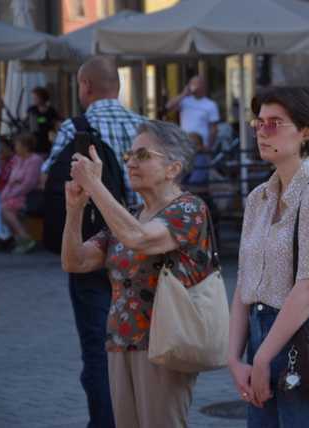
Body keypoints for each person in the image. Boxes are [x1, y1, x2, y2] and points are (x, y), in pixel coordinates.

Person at [62, 120, 210, 427]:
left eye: (142, 155)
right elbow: (75, 261)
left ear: (172, 169)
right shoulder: (128, 214)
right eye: (129, 154)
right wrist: (76, 209)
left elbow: (140, 238)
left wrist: (95, 186)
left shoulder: (189, 209)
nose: (130, 161)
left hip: (165, 344)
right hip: (120, 342)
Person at [228, 86, 309, 428]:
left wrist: (261, 358)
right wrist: (234, 358)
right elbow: (245, 284)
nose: (261, 131)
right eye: (258, 123)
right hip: (261, 338)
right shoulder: (259, 197)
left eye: (275, 123)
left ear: (305, 132)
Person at [41, 55, 145, 428]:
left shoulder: (75, 128)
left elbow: (48, 178)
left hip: (93, 250)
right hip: (142, 250)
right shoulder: (146, 129)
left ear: (85, 86)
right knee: (140, 345)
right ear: (117, 86)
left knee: (99, 348)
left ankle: (105, 421)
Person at [0, 133, 43, 253]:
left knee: (4, 208)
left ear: (25, 146)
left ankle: (24, 238)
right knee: (0, 205)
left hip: (28, 195)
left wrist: (10, 194)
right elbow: (11, 180)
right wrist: (5, 195)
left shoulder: (35, 160)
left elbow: (28, 184)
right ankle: (17, 238)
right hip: (15, 194)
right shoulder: (16, 159)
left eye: (17, 145)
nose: (15, 147)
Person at [166, 75, 220, 151]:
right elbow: (169, 106)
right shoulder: (185, 101)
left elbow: (214, 128)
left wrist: (209, 146)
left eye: (195, 83)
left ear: (203, 86)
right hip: (185, 143)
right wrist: (184, 94)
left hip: (202, 145)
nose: (193, 86)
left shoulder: (210, 105)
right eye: (191, 83)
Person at [26, 86, 60, 154]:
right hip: (35, 139)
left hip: (48, 139)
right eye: (33, 98)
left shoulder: (51, 110)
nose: (34, 100)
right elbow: (31, 122)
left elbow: (55, 122)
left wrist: (41, 120)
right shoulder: (32, 109)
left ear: (42, 98)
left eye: (36, 98)